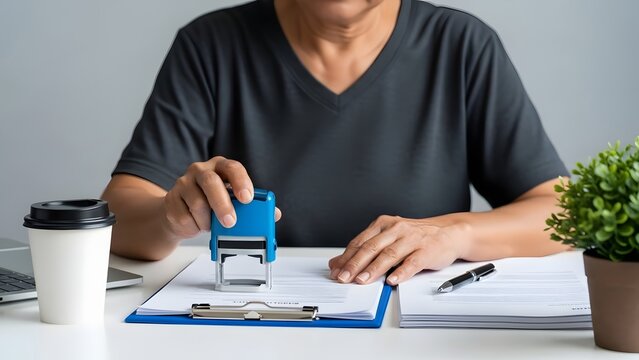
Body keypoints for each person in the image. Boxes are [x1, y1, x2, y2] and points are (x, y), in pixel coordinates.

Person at [101, 0, 569, 286]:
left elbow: (558, 209)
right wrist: (170, 216)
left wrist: (456, 233)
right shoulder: (211, 44)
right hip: (254, 324)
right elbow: (119, 213)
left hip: (417, 329)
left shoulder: (461, 45)